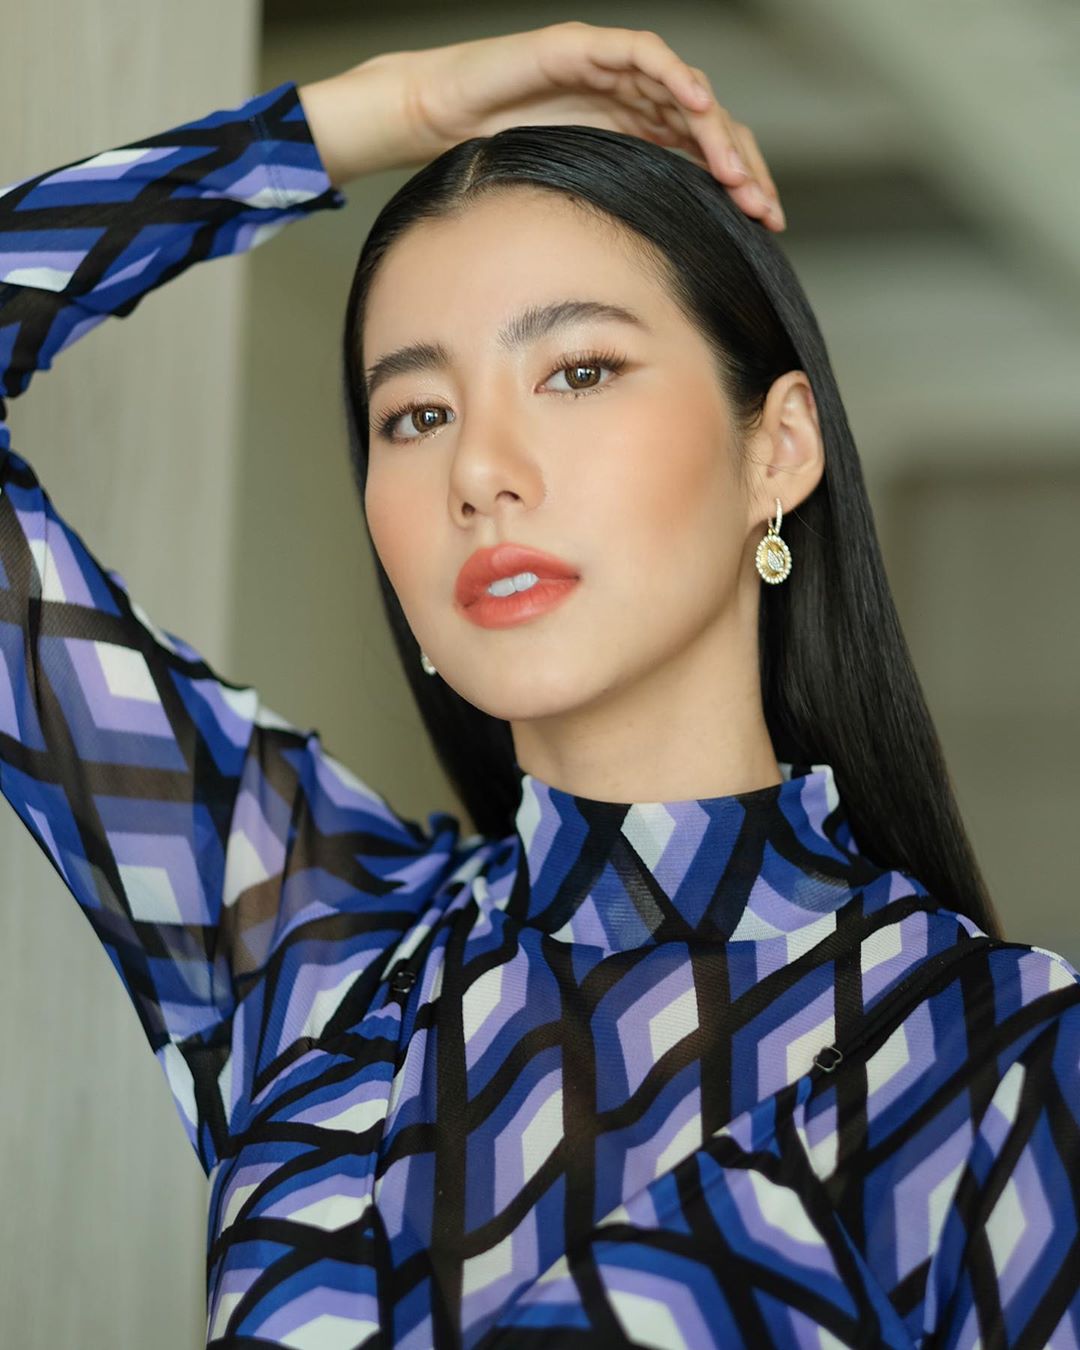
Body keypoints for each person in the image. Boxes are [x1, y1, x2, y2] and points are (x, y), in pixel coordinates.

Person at [1, 20, 1077, 1349]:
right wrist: (387, 111)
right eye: (417, 414)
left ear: (779, 449)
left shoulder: (994, 1061)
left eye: (577, 371)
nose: (479, 471)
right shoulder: (312, 942)